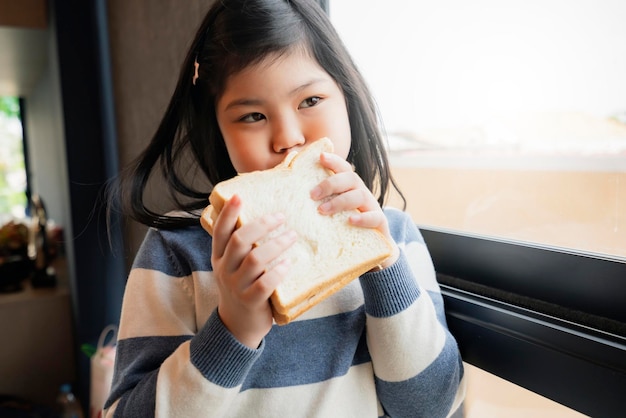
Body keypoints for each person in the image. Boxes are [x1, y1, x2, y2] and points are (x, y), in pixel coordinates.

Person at [105, 0, 466, 416]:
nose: (288, 138)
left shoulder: (392, 236)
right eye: (253, 115)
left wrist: (382, 266)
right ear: (217, 129)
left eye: (310, 101)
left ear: (347, 97)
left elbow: (430, 406)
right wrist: (234, 329)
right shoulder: (174, 252)